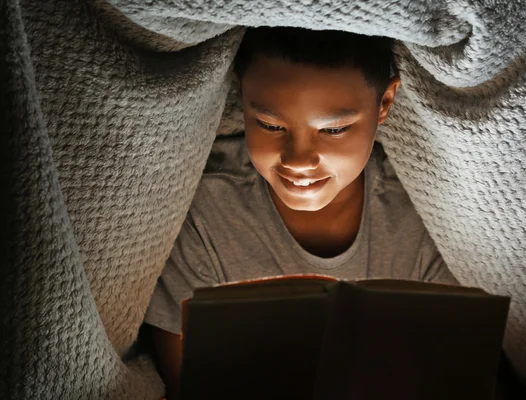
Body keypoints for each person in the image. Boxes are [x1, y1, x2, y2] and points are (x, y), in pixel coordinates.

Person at [144, 27, 457, 398]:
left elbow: (449, 370)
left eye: (334, 129)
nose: (298, 160)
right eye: (271, 125)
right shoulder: (205, 215)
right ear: (240, 93)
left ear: (385, 103)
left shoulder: (419, 221)